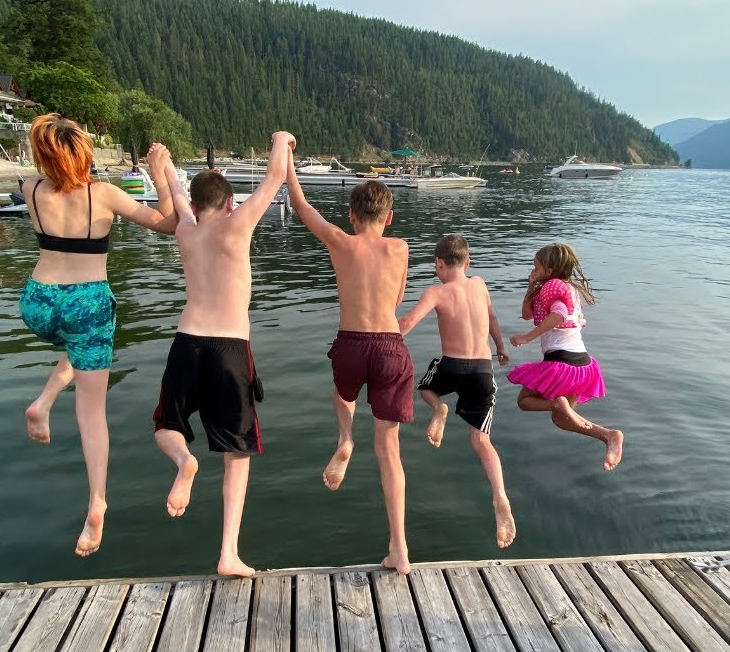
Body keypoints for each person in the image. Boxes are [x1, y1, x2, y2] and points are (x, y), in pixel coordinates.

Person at [18, 114, 178, 557]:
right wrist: (161, 170)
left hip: (37, 300)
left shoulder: (31, 189)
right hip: (87, 301)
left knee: (77, 348)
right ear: (84, 154)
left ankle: (43, 402)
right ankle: (97, 502)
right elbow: (168, 223)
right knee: (91, 410)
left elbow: (52, 167)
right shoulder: (103, 195)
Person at [152, 130, 295, 578]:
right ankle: (228, 554)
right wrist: (280, 139)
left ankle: (184, 461)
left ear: (195, 207)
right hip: (231, 347)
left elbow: (175, 190)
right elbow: (274, 177)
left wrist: (165, 160)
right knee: (237, 454)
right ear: (230, 203)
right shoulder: (238, 225)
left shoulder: (186, 230)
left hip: (187, 340)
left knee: (166, 427)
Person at [286, 169, 414, 574]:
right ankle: (400, 550)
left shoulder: (340, 242)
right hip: (390, 346)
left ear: (351, 215)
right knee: (389, 452)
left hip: (351, 343)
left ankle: (345, 438)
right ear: (389, 216)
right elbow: (397, 298)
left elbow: (302, 207)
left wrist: (287, 160)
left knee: (343, 395)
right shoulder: (401, 248)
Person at [399, 234, 516, 548]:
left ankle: (439, 408)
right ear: (468, 262)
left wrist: (379, 334)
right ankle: (500, 496)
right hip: (482, 369)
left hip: (451, 365)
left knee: (425, 388)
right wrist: (501, 347)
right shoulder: (479, 284)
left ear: (439, 263)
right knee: (481, 441)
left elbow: (409, 322)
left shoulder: (437, 291)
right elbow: (492, 318)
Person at [507, 243, 624, 470]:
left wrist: (527, 337)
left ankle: (557, 403)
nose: (534, 271)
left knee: (524, 401)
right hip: (582, 365)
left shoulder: (553, 288)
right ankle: (609, 436)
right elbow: (526, 313)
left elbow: (559, 316)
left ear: (550, 271)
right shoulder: (567, 289)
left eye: (537, 267)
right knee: (562, 418)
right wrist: (531, 286)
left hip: (561, 363)